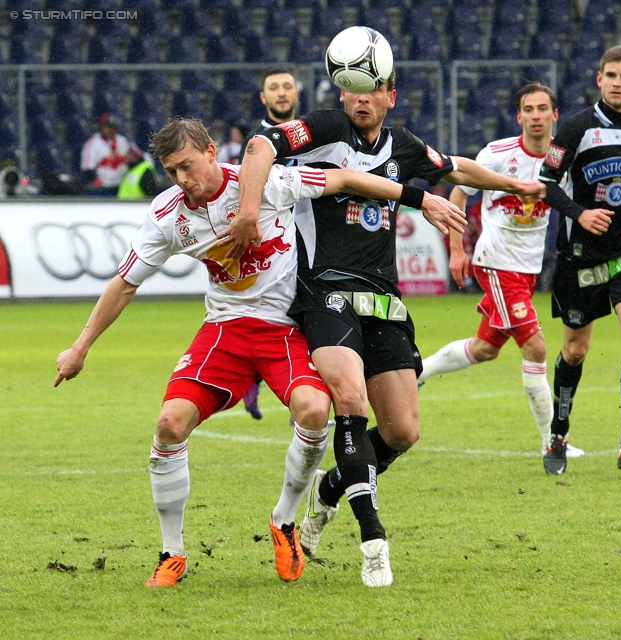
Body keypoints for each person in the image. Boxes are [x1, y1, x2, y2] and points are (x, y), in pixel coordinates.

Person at [53, 116, 462, 587]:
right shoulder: (168, 215)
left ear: (211, 151)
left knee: (314, 411)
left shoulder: (264, 183)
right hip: (223, 331)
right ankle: (172, 553)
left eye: (188, 165)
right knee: (168, 425)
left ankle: (284, 521)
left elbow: (346, 178)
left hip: (282, 331)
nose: (184, 180)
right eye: (172, 172)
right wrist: (80, 347)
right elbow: (125, 284)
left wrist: (419, 197)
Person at [228, 68, 545, 586]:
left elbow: (455, 168)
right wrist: (246, 211)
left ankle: (331, 488)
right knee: (349, 400)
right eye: (352, 90)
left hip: (382, 297)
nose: (361, 99)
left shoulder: (403, 145)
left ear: (389, 98)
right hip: (323, 289)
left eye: (372, 91)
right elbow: (262, 145)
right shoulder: (325, 127)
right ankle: (373, 540)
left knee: (403, 431)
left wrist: (513, 183)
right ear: (342, 94)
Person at [418, 83, 584, 461]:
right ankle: (552, 443)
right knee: (537, 347)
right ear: (520, 116)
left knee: (485, 348)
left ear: (555, 115)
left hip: (527, 268)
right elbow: (457, 191)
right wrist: (456, 249)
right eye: (529, 109)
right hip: (496, 262)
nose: (537, 116)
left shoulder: (562, 159)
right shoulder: (496, 154)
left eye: (544, 109)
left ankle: (416, 373)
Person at [539, 45, 621, 475]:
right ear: (599, 79)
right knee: (575, 351)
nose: (618, 83)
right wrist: (580, 212)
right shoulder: (578, 128)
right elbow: (546, 182)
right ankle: (557, 434)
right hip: (582, 257)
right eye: (611, 75)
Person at [239, 68, 301, 420]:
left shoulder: (310, 135)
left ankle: (300, 395)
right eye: (274, 88)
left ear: (296, 94)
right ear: (263, 98)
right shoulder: (257, 143)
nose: (281, 93)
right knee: (268, 315)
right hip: (272, 240)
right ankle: (254, 377)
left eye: (287, 87)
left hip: (308, 238)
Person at [81, 113, 140, 194]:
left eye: (113, 127)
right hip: (103, 188)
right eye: (108, 127)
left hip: (121, 186)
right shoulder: (92, 144)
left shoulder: (122, 141)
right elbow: (87, 168)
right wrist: (96, 181)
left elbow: (136, 157)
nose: (111, 130)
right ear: (102, 127)